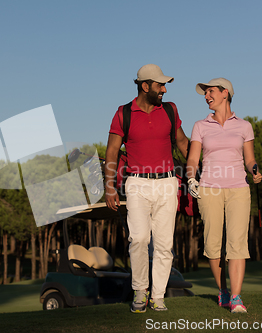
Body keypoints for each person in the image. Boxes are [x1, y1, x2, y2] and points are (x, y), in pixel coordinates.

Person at [105, 64, 189, 313]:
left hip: (167, 182)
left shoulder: (170, 110)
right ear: (145, 86)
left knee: (164, 244)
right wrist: (109, 186)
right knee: (139, 238)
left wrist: (200, 167)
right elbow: (111, 151)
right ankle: (140, 291)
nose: (164, 89)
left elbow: (182, 142)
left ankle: (159, 296)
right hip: (137, 183)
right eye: (160, 85)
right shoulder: (123, 114)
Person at [186, 78, 262, 313]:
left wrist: (255, 171)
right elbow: (192, 158)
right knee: (213, 244)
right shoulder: (200, 125)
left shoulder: (244, 126)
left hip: (239, 188)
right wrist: (191, 178)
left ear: (225, 93)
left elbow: (249, 159)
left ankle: (237, 298)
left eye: (210, 91)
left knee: (237, 243)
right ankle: (223, 292)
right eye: (205, 93)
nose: (206, 96)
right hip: (209, 188)